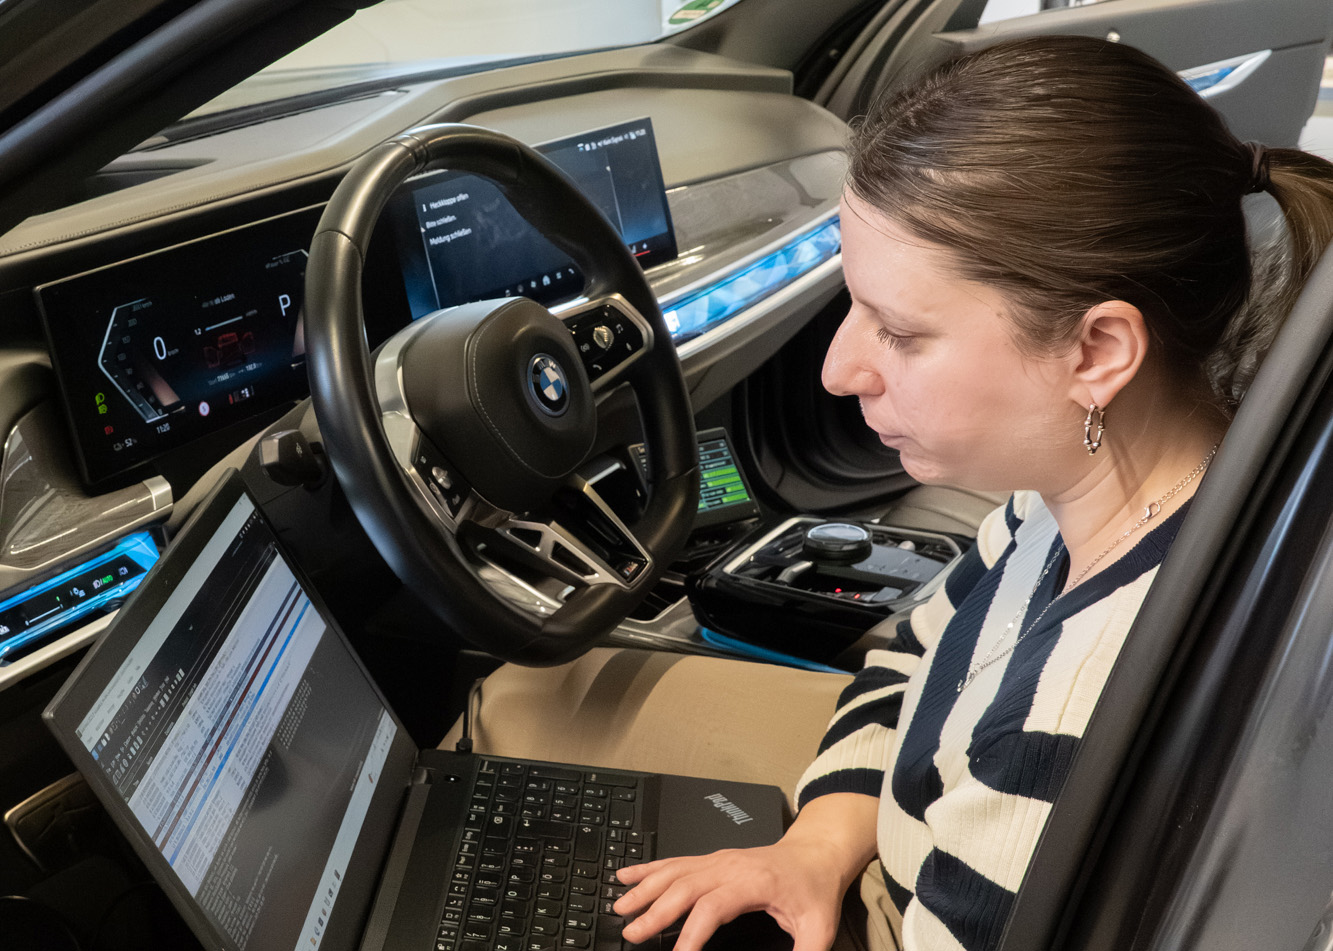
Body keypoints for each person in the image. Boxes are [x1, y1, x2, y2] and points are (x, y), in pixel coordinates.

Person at [445, 35, 1333, 951]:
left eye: (899, 332)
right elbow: (913, 655)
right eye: (853, 306)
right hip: (899, 820)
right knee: (526, 692)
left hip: (910, 913)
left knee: (499, 730)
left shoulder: (1062, 722)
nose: (837, 370)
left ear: (1097, 352)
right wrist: (815, 846)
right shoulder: (1063, 497)